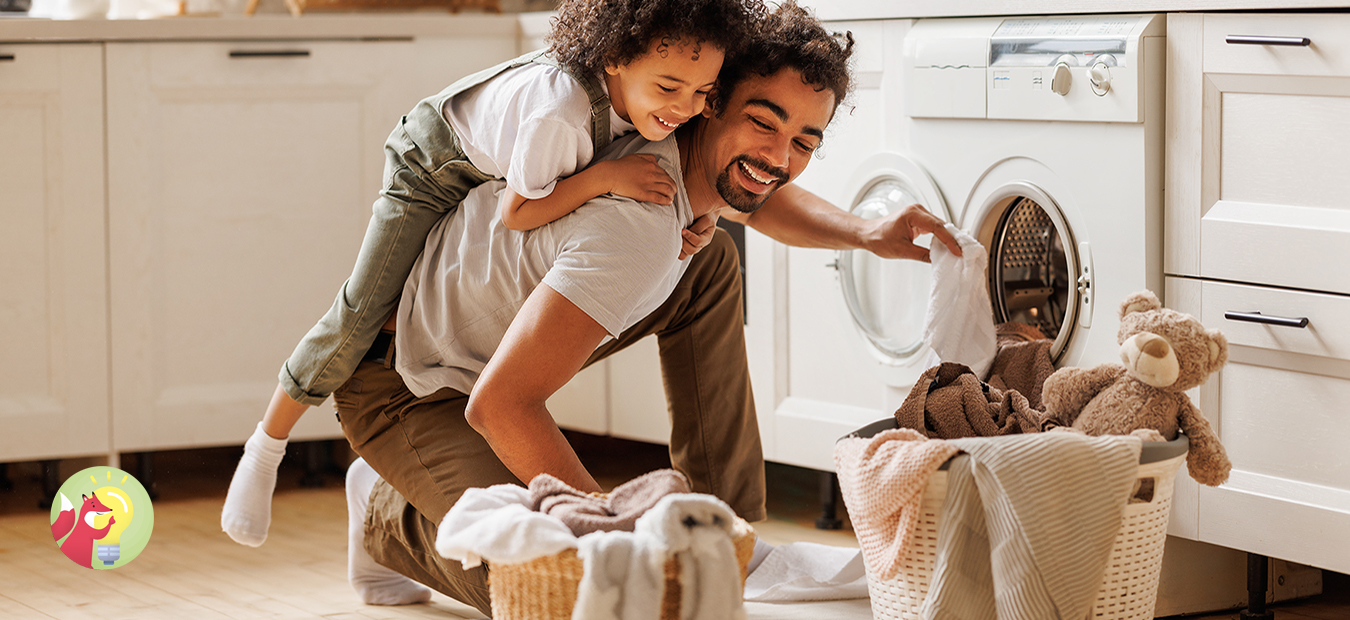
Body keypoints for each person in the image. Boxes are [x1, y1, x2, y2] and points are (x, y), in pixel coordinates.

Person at [337, 2, 963, 613]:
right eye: (764, 122)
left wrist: (865, 233)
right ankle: (382, 511)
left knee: (709, 258)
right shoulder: (635, 226)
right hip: (402, 383)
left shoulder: (670, 138)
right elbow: (502, 405)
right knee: (570, 584)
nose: (780, 156)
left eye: (804, 140)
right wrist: (623, 537)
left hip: (482, 344)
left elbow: (757, 190)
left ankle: (723, 526)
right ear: (710, 105)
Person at [221, 0, 763, 548]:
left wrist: (704, 213)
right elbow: (519, 212)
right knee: (362, 312)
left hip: (495, 165)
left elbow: (716, 173)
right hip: (429, 164)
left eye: (702, 94)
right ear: (616, 56)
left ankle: (729, 524)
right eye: (670, 88)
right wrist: (606, 178)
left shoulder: (644, 102)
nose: (686, 108)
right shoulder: (562, 116)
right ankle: (267, 444)